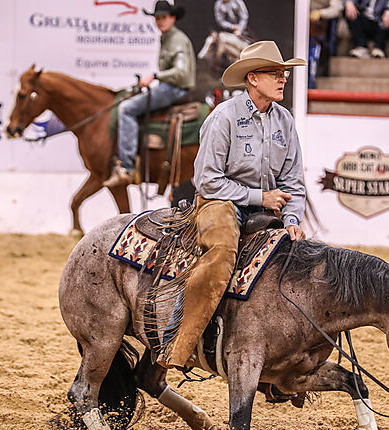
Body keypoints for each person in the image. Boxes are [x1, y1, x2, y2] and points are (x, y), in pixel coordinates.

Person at [156, 41, 307, 369]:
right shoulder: (224, 117)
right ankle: (177, 343)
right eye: (275, 73)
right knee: (222, 253)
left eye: (284, 73)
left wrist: (293, 219)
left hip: (267, 206)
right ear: (253, 78)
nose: (283, 78)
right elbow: (207, 181)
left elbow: (294, 182)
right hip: (219, 202)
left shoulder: (285, 120)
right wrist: (260, 198)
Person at [104, 0, 196, 188]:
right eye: (157, 18)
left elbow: (181, 72)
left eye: (163, 17)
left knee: (127, 109)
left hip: (174, 89)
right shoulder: (168, 37)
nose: (160, 21)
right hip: (170, 87)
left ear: (172, 18)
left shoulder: (177, 39)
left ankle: (127, 167)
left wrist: (155, 76)